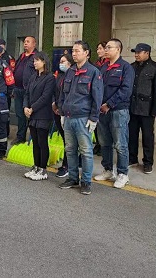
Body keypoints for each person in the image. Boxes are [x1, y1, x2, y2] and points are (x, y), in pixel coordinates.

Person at [57, 41, 103, 195]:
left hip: (83, 118)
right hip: (68, 117)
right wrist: (62, 113)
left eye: (77, 51)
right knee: (70, 149)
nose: (74, 54)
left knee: (86, 151)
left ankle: (86, 181)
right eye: (73, 51)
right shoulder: (70, 71)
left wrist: (94, 118)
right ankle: (72, 178)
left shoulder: (93, 72)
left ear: (86, 53)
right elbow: (63, 94)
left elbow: (97, 97)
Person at [94, 39, 134, 189]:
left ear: (118, 49)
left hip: (118, 110)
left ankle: (123, 174)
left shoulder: (126, 68)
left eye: (109, 47)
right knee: (105, 142)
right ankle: (108, 170)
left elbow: (126, 90)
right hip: (102, 111)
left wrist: (109, 104)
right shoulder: (103, 68)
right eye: (105, 47)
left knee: (120, 143)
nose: (106, 50)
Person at [128, 43, 156, 174]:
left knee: (147, 137)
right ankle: (132, 159)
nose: (136, 55)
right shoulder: (131, 67)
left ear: (147, 53)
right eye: (135, 52)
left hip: (147, 109)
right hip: (132, 107)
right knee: (131, 135)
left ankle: (148, 163)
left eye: (139, 52)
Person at [23, 52, 56, 181]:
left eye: (37, 60)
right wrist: (25, 107)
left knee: (42, 142)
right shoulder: (33, 76)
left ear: (44, 62)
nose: (35, 63)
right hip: (32, 114)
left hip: (42, 114)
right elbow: (26, 93)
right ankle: (36, 166)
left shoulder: (50, 78)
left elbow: (45, 97)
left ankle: (43, 169)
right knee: (35, 142)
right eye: (34, 60)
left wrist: (32, 108)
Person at [12, 36, 37, 146]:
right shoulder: (21, 56)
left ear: (34, 44)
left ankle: (33, 138)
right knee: (19, 114)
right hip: (18, 89)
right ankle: (20, 137)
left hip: (29, 91)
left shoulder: (36, 56)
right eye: (24, 42)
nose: (25, 43)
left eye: (28, 42)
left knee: (30, 114)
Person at [52, 54, 74, 178]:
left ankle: (67, 165)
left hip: (67, 112)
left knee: (69, 140)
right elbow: (55, 92)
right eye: (60, 61)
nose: (61, 64)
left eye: (63, 61)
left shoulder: (73, 76)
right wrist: (54, 104)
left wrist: (62, 109)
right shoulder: (59, 76)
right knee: (65, 138)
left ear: (70, 63)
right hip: (57, 110)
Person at [0, 37, 14, 138]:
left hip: (5, 91)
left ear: (4, 46)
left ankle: (5, 133)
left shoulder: (9, 58)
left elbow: (12, 73)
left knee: (4, 114)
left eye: (0, 45)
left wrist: (10, 91)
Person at [93, 41, 108, 156]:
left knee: (104, 126)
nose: (98, 51)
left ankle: (104, 147)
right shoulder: (96, 64)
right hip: (96, 96)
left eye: (100, 48)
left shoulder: (108, 64)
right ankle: (98, 144)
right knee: (96, 124)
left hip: (105, 98)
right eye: (97, 49)